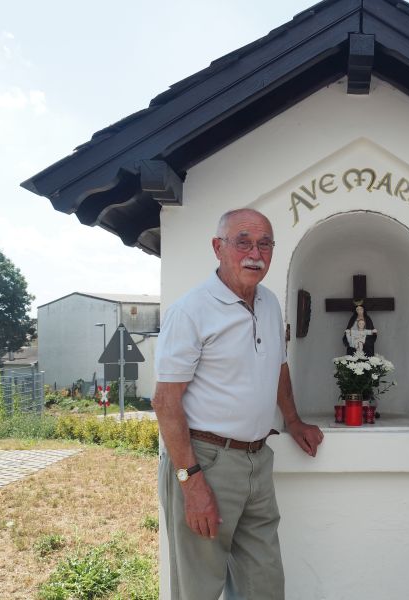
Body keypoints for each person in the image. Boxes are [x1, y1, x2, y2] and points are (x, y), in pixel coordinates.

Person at [153, 208, 324, 600]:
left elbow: (277, 364)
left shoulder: (268, 303)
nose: (255, 253)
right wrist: (191, 481)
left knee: (263, 586)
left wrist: (293, 419)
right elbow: (165, 402)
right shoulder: (191, 311)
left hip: (257, 462)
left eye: (265, 244)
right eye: (243, 242)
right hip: (204, 462)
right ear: (218, 247)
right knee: (198, 589)